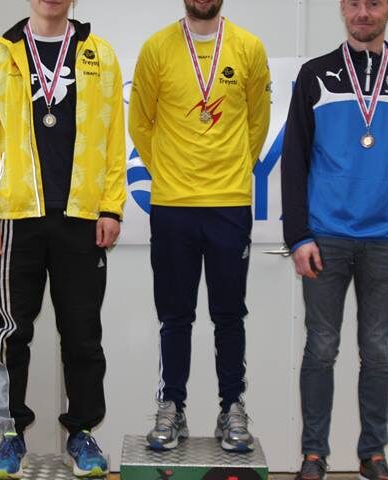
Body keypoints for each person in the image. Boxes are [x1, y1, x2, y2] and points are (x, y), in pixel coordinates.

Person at [0, 0, 126, 477]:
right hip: (15, 217)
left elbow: (114, 137)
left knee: (83, 335)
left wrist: (111, 206)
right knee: (9, 333)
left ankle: (82, 433)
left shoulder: (100, 54)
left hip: (81, 215)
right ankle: (10, 435)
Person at [280, 0, 388, 478]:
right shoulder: (315, 74)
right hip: (325, 237)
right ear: (342, 9)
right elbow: (294, 158)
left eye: (373, 3)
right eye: (353, 3)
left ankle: (373, 454)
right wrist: (298, 235)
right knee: (321, 348)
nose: (363, 13)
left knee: (377, 351)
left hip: (387, 238)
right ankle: (313, 455)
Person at [128, 0, 271, 453]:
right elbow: (140, 123)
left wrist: (234, 170)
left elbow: (257, 121)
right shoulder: (156, 48)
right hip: (173, 205)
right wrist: (169, 172)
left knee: (229, 314)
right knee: (175, 315)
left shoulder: (249, 47)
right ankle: (172, 406)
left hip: (229, 204)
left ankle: (232, 408)